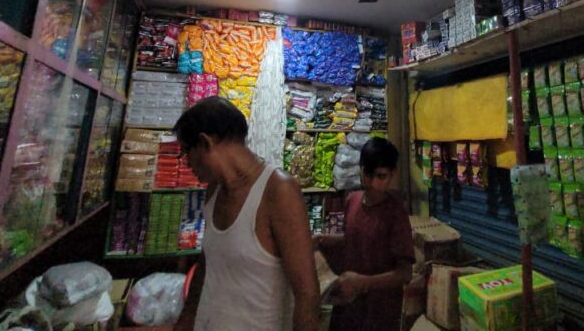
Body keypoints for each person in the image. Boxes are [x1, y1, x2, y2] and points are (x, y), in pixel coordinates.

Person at [172, 97, 319, 331]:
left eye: (185, 152)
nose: (186, 163)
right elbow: (208, 262)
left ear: (205, 142)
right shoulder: (214, 190)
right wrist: (186, 319)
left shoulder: (278, 191)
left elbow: (307, 294)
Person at [315, 137, 414, 331]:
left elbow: (405, 273)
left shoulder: (396, 214)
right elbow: (356, 238)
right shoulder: (352, 200)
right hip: (347, 308)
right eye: (368, 174)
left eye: (381, 176)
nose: (373, 183)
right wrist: (323, 239)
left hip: (380, 312)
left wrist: (363, 283)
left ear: (393, 173)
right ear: (360, 169)